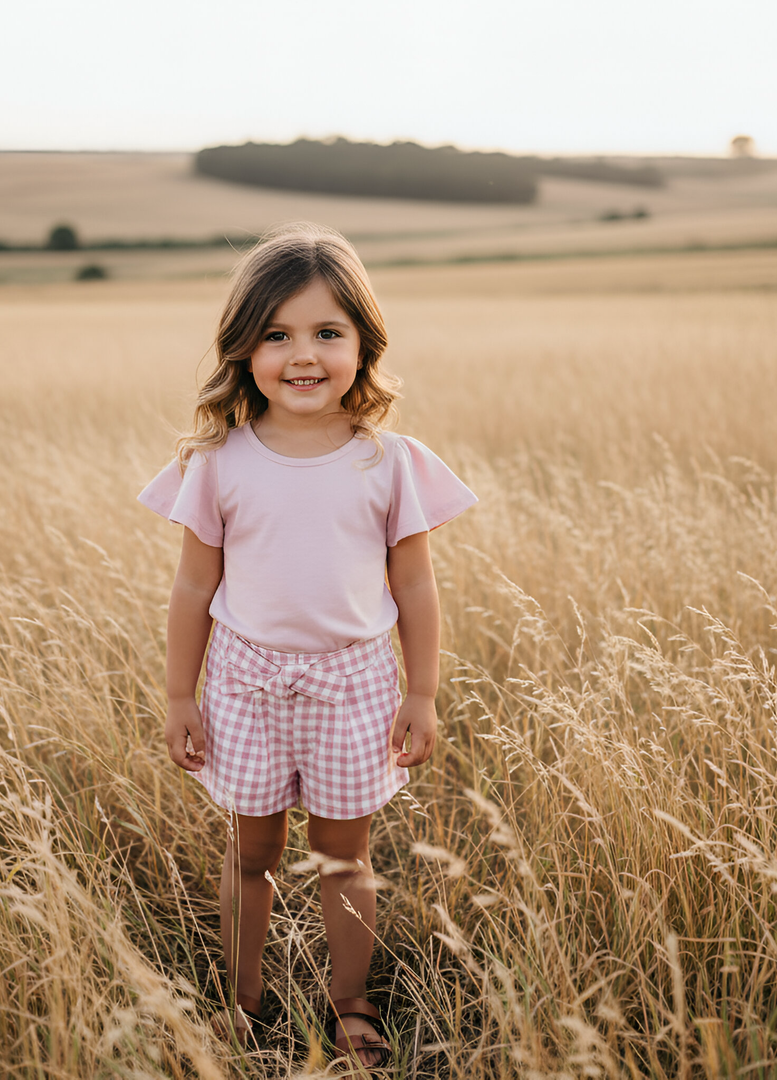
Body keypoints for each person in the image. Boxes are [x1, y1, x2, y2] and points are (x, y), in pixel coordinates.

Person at [139, 223, 476, 1068]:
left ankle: (352, 1003)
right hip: (246, 684)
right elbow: (193, 590)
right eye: (277, 334)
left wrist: (423, 692)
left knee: (344, 855)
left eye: (329, 332)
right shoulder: (219, 463)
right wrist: (181, 696)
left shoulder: (389, 462)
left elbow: (415, 588)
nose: (304, 355)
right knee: (252, 853)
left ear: (363, 344)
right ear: (242, 347)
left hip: (357, 683)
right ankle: (241, 1003)